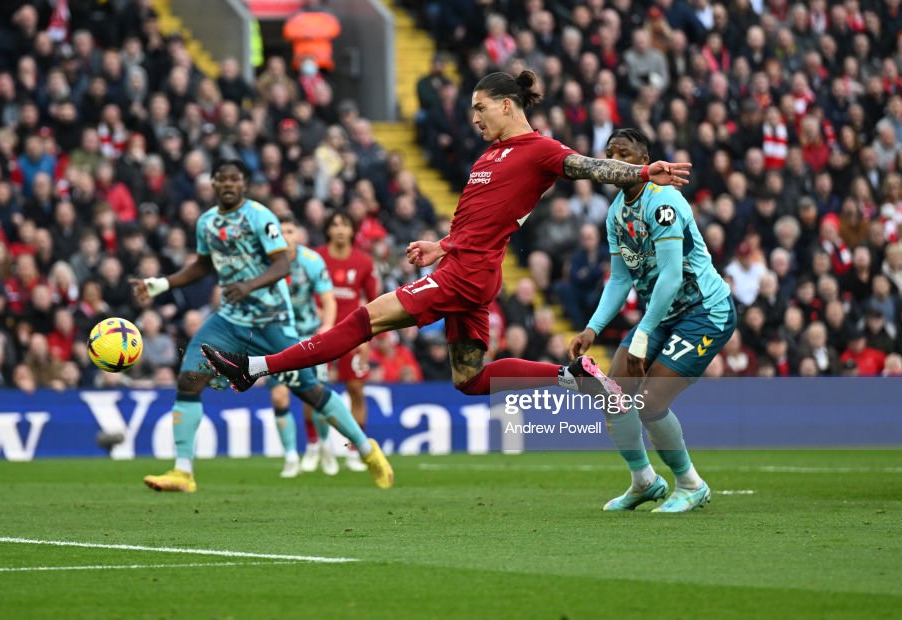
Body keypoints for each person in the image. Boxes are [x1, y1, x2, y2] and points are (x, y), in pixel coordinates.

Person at [201, 72, 690, 437]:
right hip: (463, 265)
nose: (474, 118)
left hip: (467, 274)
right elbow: (487, 220)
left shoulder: (540, 149)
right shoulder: (487, 156)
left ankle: (255, 369)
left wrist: (647, 173)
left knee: (361, 321)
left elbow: (588, 167)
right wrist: (444, 244)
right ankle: (572, 376)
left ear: (505, 104)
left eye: (480, 108)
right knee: (470, 381)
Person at [135, 160, 392, 492]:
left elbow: (282, 264)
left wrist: (249, 285)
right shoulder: (207, 223)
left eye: (234, 179)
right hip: (228, 320)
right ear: (213, 184)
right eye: (221, 178)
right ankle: (183, 471)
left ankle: (368, 450)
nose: (228, 184)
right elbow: (202, 265)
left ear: (243, 184)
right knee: (188, 378)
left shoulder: (260, 217)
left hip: (272, 321)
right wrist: (162, 284)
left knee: (310, 390)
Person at [568, 128, 736, 513]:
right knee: (613, 393)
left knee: (650, 400)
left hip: (704, 312)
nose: (615, 160)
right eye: (609, 154)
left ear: (644, 163)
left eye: (624, 154)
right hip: (662, 315)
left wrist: (643, 330)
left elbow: (673, 277)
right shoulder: (615, 214)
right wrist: (593, 327)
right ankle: (644, 481)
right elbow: (621, 279)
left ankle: (691, 485)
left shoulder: (664, 203)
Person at [268, 214, 339, 478]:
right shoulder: (265, 262)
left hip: (310, 335)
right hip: (278, 337)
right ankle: (290, 457)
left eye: (289, 230)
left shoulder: (311, 261)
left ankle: (323, 446)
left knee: (316, 395)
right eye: (280, 231)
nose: (285, 236)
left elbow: (328, 300)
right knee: (279, 395)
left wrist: (327, 329)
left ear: (297, 234)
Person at [316, 211, 379, 472]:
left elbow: (375, 302)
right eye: (335, 224)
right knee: (316, 391)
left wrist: (367, 337)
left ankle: (354, 450)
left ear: (353, 232)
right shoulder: (316, 257)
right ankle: (319, 448)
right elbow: (306, 293)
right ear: (328, 230)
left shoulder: (364, 262)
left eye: (345, 225)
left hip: (353, 337)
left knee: (356, 391)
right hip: (320, 333)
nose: (340, 229)